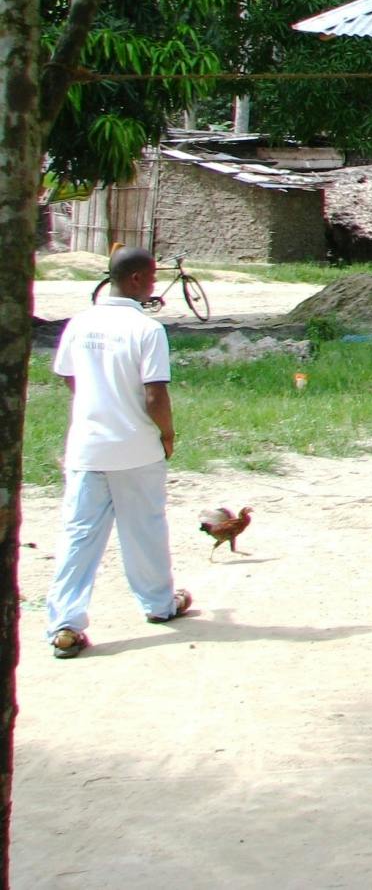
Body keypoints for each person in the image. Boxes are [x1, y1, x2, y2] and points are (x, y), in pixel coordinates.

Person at [46, 246, 191, 658]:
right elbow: (154, 394)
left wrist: (97, 407)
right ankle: (159, 603)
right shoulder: (147, 330)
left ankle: (65, 624)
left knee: (79, 535)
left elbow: (69, 378)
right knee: (144, 527)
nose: (154, 285)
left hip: (88, 448)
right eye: (151, 278)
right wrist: (167, 434)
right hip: (136, 449)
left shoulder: (80, 323)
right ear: (136, 280)